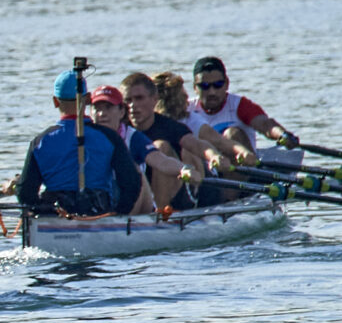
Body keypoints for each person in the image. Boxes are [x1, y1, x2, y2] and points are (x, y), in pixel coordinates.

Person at [17, 67, 140, 218]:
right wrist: (118, 213)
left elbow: (25, 193)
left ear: (55, 101)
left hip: (56, 217)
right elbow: (132, 182)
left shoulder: (40, 141)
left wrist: (41, 212)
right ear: (88, 99)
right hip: (99, 214)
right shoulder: (109, 137)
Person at [184, 55, 299, 169]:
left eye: (218, 85)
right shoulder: (186, 109)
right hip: (204, 171)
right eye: (205, 86)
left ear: (227, 84)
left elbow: (265, 125)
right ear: (195, 87)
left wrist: (282, 135)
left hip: (241, 173)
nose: (212, 92)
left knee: (232, 134)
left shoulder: (239, 105)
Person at [119, 72, 207, 210]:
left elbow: (197, 145)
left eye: (139, 98)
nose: (132, 105)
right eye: (127, 100)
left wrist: (215, 156)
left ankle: (158, 214)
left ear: (155, 99)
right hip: (142, 192)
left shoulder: (171, 127)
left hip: (179, 195)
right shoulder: (119, 128)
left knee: (161, 146)